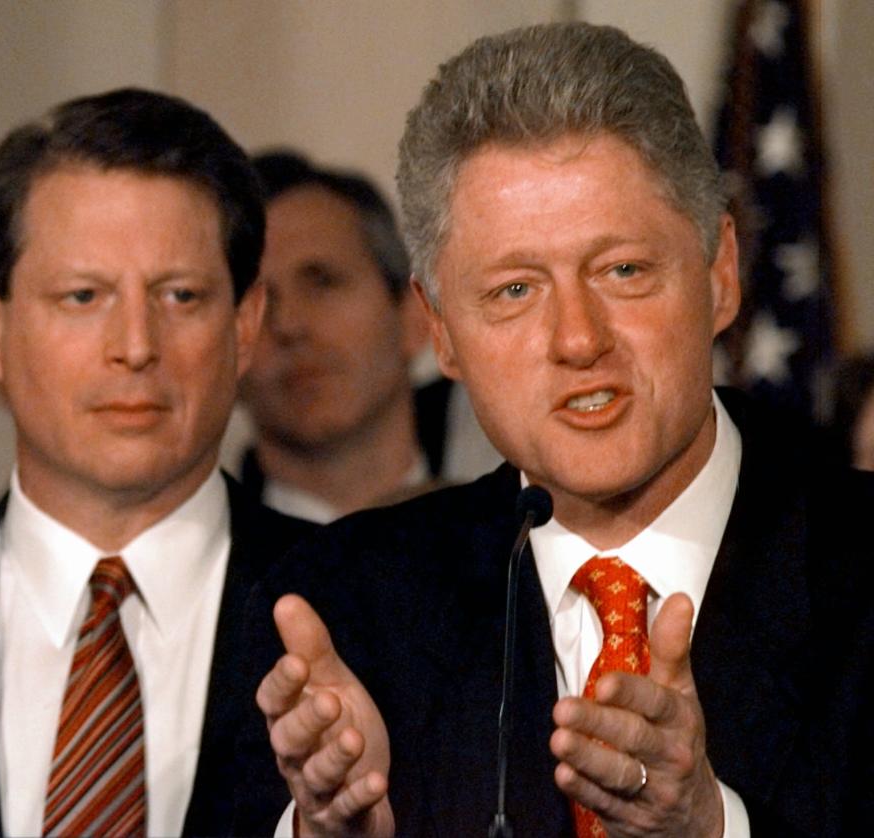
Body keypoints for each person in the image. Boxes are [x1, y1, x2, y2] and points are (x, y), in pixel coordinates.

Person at [246, 22, 874, 838]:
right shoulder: (349, 612)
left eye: (623, 271)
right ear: (440, 333)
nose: (578, 338)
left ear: (721, 274)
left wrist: (710, 829)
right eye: (514, 290)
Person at [0, 88, 312, 837]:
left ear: (246, 323)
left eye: (181, 295)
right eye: (83, 296)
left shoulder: (362, 608)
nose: (135, 344)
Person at [233, 151, 437, 522]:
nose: (288, 324)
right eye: (257, 301)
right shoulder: (191, 573)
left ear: (415, 316)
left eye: (322, 282)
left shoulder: (524, 535)